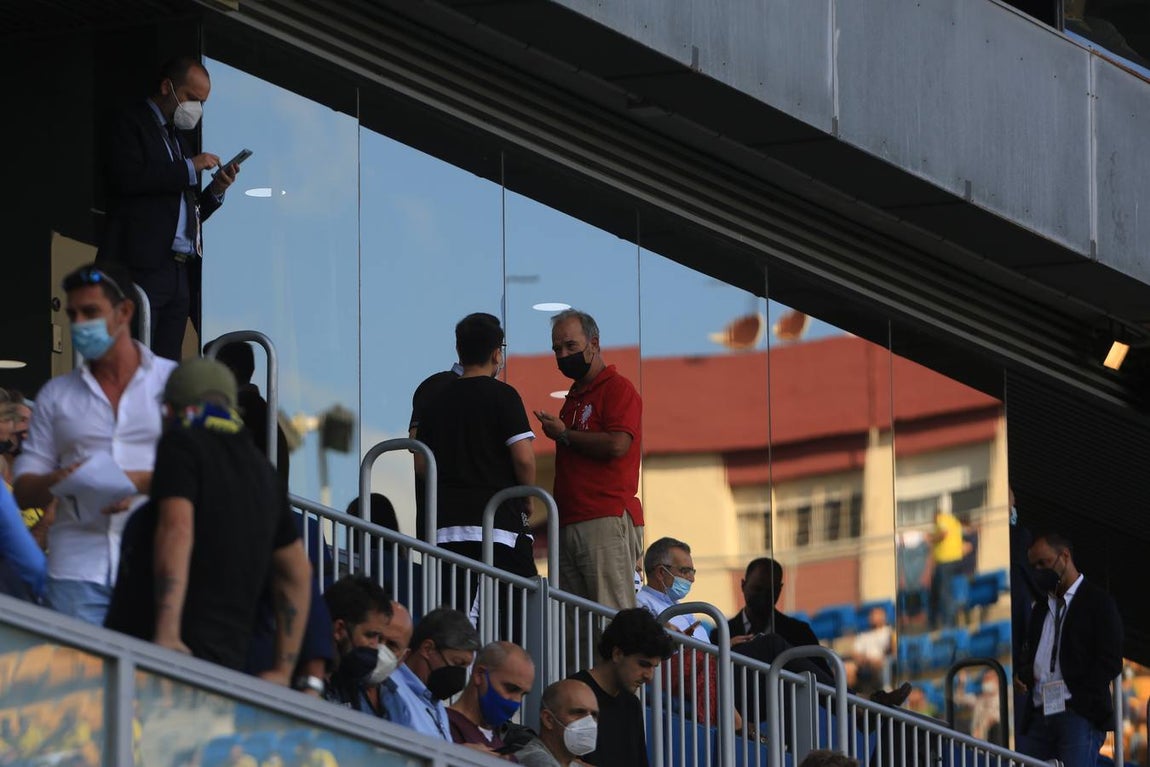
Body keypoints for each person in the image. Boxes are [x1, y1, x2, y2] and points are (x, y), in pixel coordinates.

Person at [104, 358, 311, 684]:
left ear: (172, 408)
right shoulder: (262, 472)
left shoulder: (183, 442)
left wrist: (167, 633)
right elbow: (298, 572)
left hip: (155, 661)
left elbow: (177, 528)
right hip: (225, 663)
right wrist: (283, 670)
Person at [14, 263, 176, 624]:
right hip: (76, 570)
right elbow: (24, 489)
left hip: (154, 566)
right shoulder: (56, 395)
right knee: (75, 680)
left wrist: (132, 484)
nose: (80, 324)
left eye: (91, 312)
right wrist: (58, 480)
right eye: (73, 315)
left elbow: (202, 470)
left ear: (125, 312)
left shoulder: (172, 382)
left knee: (149, 681)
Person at [96, 56, 240, 361]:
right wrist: (189, 167)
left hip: (178, 271)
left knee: (165, 369)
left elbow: (183, 211)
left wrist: (215, 191)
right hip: (140, 265)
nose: (195, 109)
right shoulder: (130, 121)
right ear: (167, 87)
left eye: (202, 102)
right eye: (191, 98)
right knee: (133, 359)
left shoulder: (177, 141)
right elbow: (127, 178)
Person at [416, 313, 537, 621]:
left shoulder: (435, 401)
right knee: (504, 626)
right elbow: (523, 457)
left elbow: (420, 465)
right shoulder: (503, 395)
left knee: (452, 619)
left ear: (459, 350)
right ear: (497, 353)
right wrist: (527, 497)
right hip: (495, 531)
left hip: (443, 531)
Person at [534, 309, 643, 618]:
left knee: (611, 620)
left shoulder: (618, 389)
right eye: (557, 349)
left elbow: (618, 444)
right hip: (569, 521)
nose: (563, 355)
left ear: (594, 343)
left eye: (570, 346)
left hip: (604, 516)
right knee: (573, 629)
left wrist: (565, 435)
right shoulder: (573, 399)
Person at [1016, 532, 1123, 767]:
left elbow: (1111, 660)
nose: (1039, 571)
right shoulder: (1041, 609)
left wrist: (1079, 697)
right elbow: (1035, 653)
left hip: (1077, 714)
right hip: (1038, 714)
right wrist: (1025, 674)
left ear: (1064, 557)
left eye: (1044, 563)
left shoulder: (1098, 602)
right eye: (1034, 566)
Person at [569, 607, 673, 767]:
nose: (649, 676)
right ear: (617, 654)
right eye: (643, 664)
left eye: (654, 667)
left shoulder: (632, 705)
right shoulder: (572, 693)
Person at [379, 607, 480, 742]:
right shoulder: (391, 689)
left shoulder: (436, 706)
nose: (460, 675)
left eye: (465, 667)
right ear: (427, 649)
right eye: (457, 663)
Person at [322, 575, 404, 715]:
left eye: (378, 637)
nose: (375, 646)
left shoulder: (352, 683)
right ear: (339, 629)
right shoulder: (302, 676)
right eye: (370, 635)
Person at [211, 339, 290, 481]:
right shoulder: (260, 411)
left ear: (231, 371)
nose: (203, 377)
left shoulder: (244, 412)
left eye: (211, 369)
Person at [447, 641, 536, 755]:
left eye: (522, 694)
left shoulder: (504, 749)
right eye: (511, 688)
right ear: (479, 675)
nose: (517, 700)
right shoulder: (441, 726)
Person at [409, 361, 463, 541]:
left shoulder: (495, 392)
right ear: (495, 354)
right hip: (442, 523)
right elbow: (416, 446)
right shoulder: (438, 386)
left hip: (476, 526)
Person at [635, 537, 708, 641]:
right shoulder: (641, 603)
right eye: (685, 571)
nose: (692, 579)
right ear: (661, 572)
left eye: (692, 572)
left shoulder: (678, 607)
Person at [516, 679, 599, 767]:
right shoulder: (535, 760)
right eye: (578, 712)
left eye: (594, 715)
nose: (589, 722)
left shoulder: (568, 763)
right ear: (548, 719)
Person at [929, 502, 965, 629]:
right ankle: (951, 619)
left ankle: (948, 623)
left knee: (945, 592)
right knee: (949, 590)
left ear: (935, 515)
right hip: (957, 559)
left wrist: (931, 538)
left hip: (946, 561)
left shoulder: (941, 519)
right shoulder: (954, 520)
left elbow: (943, 534)